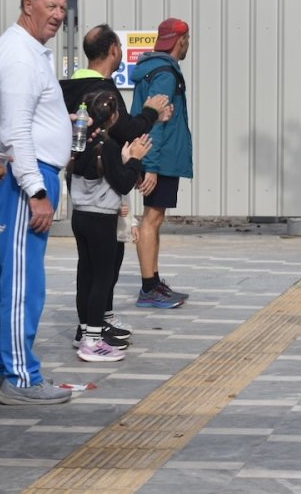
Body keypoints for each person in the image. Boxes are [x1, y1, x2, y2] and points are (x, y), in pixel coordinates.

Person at [60, 24, 173, 336]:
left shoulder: (68, 90)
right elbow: (127, 131)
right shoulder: (104, 94)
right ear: (112, 50)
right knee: (103, 267)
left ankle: (93, 323)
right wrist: (150, 114)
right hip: (104, 194)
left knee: (89, 265)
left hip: (80, 193)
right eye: (120, 48)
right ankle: (94, 331)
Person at [0, 0, 74, 404]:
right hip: (25, 180)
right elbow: (16, 132)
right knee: (23, 281)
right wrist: (36, 190)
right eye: (51, 6)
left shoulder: (20, 49)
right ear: (28, 6)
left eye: (63, 7)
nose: (59, 15)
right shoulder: (21, 58)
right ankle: (21, 377)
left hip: (15, 178)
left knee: (3, 278)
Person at [70, 90, 152, 362]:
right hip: (100, 219)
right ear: (114, 117)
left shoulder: (81, 142)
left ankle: (84, 331)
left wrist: (124, 161)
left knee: (86, 274)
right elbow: (123, 182)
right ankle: (93, 341)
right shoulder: (108, 146)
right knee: (102, 278)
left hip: (80, 216)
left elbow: (99, 174)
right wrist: (136, 158)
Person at [130, 18, 193, 309]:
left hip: (157, 156)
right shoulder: (166, 74)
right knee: (152, 219)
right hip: (159, 157)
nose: (188, 44)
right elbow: (155, 119)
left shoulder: (154, 68)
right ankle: (148, 288)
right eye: (187, 39)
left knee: (155, 218)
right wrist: (151, 166)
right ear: (180, 40)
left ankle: (153, 282)